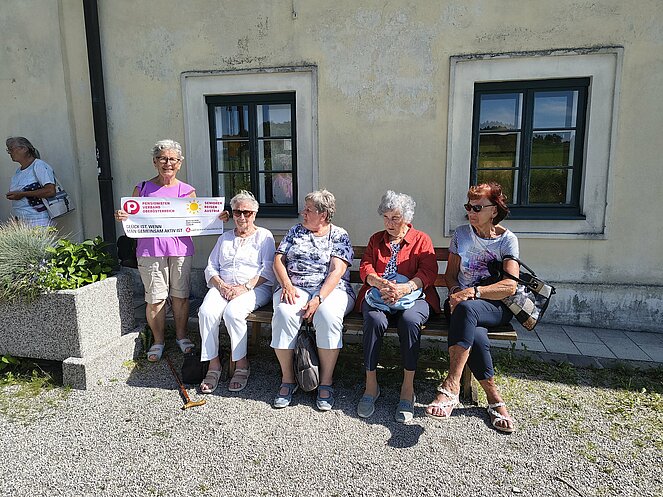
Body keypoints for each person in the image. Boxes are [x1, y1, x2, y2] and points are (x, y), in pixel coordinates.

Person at [425, 182, 519, 433]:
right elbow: (450, 275)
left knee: (468, 310)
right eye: (469, 207)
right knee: (474, 331)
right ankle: (494, 398)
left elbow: (509, 286)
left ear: (494, 210)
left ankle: (451, 384)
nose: (471, 212)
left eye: (477, 207)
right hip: (460, 304)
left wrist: (473, 292)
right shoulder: (461, 234)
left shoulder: (507, 240)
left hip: (494, 306)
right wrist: (457, 292)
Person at [355, 191, 440, 422]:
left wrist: (405, 288)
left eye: (395, 218)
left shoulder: (421, 239)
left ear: (407, 218)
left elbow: (428, 272)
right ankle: (371, 385)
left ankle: (407, 389)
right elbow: (366, 266)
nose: (389, 223)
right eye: (386, 217)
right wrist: (379, 283)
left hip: (414, 296)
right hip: (379, 295)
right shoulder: (376, 239)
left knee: (410, 321)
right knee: (374, 320)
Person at [270, 189, 355, 410]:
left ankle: (325, 382)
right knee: (284, 313)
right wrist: (286, 284)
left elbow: (337, 271)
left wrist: (319, 298)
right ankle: (288, 379)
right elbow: (278, 260)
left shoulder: (339, 235)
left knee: (327, 315)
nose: (303, 213)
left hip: (331, 289)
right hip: (296, 286)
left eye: (308, 210)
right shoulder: (295, 231)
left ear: (323, 214)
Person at [114, 139, 196, 362]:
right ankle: (158, 341)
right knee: (155, 298)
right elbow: (131, 216)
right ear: (155, 162)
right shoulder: (142, 189)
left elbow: (198, 218)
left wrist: (217, 217)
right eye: (163, 159)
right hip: (150, 250)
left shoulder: (187, 191)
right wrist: (123, 216)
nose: (168, 163)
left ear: (180, 163)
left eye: (172, 159)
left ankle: (181, 337)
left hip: (180, 249)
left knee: (181, 296)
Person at [198, 191, 276, 394]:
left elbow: (267, 269)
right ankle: (214, 364)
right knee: (206, 312)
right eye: (237, 212)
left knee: (233, 313)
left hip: (255, 287)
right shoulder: (224, 238)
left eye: (246, 212)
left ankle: (241, 364)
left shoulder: (264, 236)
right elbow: (211, 267)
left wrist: (244, 287)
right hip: (223, 286)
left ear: (254, 214)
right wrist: (220, 285)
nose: (242, 216)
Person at [5, 137, 56, 227]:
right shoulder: (18, 172)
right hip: (22, 222)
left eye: (11, 149)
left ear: (24, 149)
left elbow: (50, 191)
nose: (9, 153)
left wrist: (22, 194)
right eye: (8, 150)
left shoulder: (39, 165)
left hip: (39, 221)